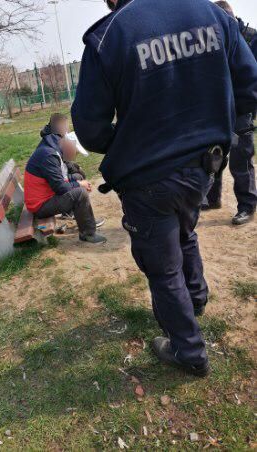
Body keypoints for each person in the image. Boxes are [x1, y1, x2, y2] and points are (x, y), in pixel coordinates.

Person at [72, 0, 257, 377]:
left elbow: (90, 129)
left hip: (148, 176)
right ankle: (197, 298)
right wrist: (212, 118)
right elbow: (250, 84)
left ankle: (188, 351)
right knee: (185, 230)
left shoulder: (110, 36)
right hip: (205, 164)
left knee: (163, 268)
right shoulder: (212, 13)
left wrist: (129, 138)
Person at [202, 1, 257, 225]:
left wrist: (246, 107)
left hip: (241, 109)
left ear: (231, 18)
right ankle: (212, 198)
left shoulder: (251, 38)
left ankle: (247, 205)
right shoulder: (210, 40)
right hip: (216, 109)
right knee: (212, 156)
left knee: (240, 159)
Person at [24, 115, 106, 244]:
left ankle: (84, 217)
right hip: (39, 206)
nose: (75, 156)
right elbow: (60, 187)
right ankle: (88, 234)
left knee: (78, 178)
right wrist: (79, 184)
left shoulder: (54, 148)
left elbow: (60, 178)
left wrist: (78, 180)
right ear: (69, 145)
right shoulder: (49, 155)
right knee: (80, 193)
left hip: (46, 196)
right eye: (76, 152)